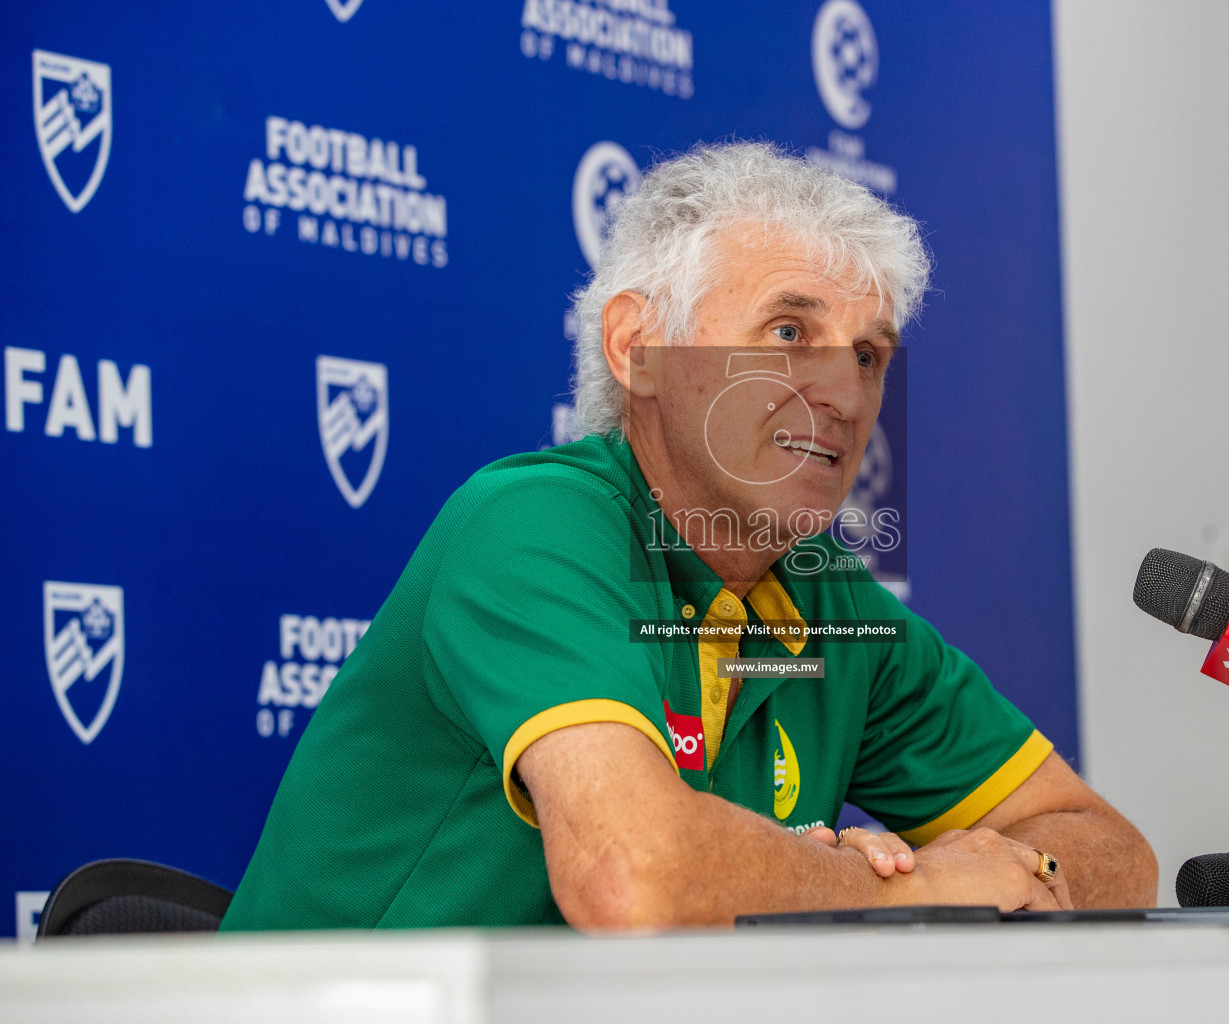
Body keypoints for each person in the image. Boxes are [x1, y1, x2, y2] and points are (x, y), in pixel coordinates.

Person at [221, 142, 1156, 931]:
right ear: (639, 349)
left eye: (869, 356)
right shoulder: (532, 527)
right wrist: (922, 890)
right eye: (789, 329)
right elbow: (635, 877)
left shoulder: (827, 597)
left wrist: (1022, 877)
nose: (843, 395)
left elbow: (1111, 848)